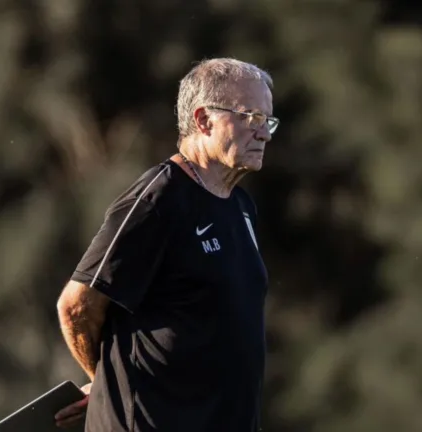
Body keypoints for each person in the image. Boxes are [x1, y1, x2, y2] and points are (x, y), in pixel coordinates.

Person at [54, 57, 279, 431]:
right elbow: (77, 305)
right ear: (204, 119)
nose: (265, 134)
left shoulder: (241, 205)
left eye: (268, 121)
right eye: (250, 117)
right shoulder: (158, 199)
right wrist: (105, 378)